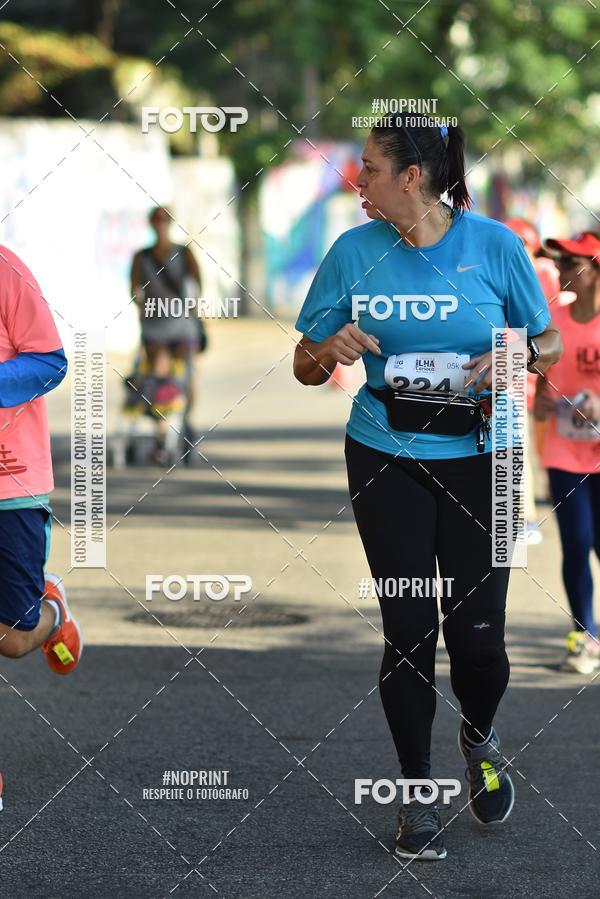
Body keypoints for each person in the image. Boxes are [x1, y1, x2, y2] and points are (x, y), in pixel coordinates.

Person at [293, 121, 561, 861]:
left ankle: (479, 730)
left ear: (413, 177)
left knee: (481, 642)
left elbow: (551, 342)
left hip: (491, 454)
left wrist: (513, 352)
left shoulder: (496, 247)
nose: (360, 182)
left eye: (372, 170)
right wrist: (328, 348)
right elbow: (303, 363)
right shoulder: (354, 251)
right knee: (408, 629)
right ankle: (416, 797)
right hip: (387, 453)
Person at [0, 245, 83, 811]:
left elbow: (50, 359)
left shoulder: (6, 269)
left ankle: (51, 609)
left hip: (12, 483)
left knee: (10, 639)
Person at [534, 231, 600, 674]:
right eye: (559, 259)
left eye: (572, 260)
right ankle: (585, 636)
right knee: (576, 543)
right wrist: (541, 398)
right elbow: (541, 383)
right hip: (563, 450)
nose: (560, 266)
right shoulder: (554, 318)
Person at [129, 206, 203, 464]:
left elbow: (196, 286)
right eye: (157, 221)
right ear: (152, 224)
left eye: (164, 221)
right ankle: (162, 430)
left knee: (185, 375)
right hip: (156, 329)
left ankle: (185, 419)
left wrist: (192, 313)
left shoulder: (183, 253)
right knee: (160, 373)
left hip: (181, 327)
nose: (161, 225)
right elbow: (135, 290)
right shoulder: (142, 257)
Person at [504, 218, 560, 544]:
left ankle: (524, 517)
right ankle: (520, 517)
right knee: (518, 445)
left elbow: (551, 320)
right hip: (509, 364)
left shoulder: (542, 272)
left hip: (535, 364)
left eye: (522, 244)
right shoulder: (502, 269)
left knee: (530, 445)